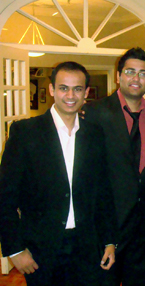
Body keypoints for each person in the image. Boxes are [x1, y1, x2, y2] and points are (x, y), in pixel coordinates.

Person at [0, 61, 116, 285]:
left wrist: (110, 240)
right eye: (63, 88)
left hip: (86, 247)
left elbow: (103, 192)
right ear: (52, 90)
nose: (70, 95)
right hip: (41, 249)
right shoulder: (25, 133)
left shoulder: (94, 135)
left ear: (86, 93)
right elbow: (5, 196)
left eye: (78, 89)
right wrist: (15, 250)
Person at [82, 48, 145, 285]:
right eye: (130, 72)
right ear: (119, 76)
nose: (136, 79)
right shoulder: (94, 112)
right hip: (106, 223)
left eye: (143, 73)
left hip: (143, 224)